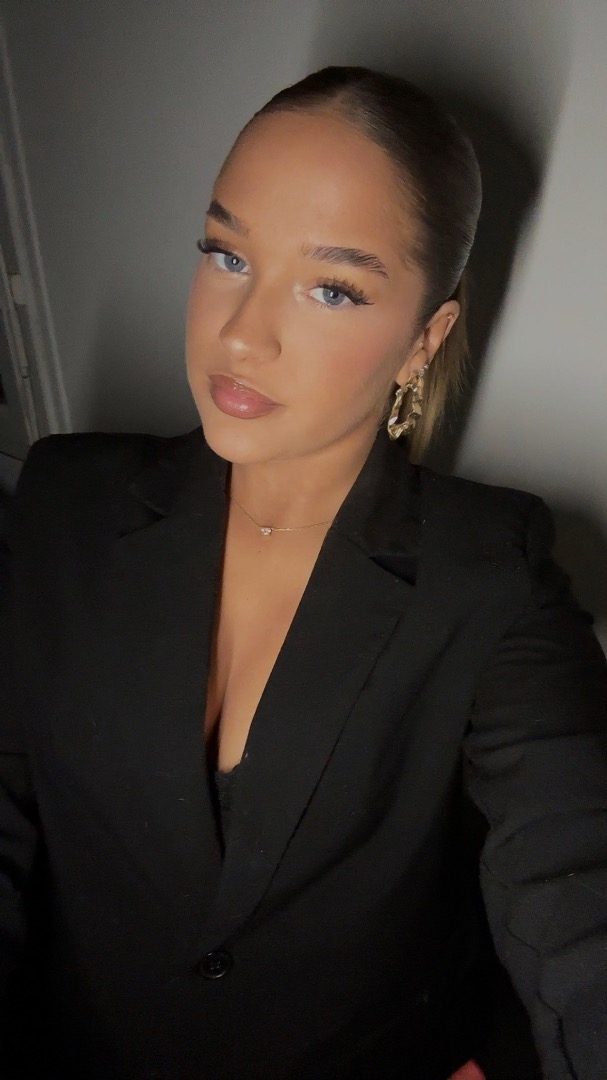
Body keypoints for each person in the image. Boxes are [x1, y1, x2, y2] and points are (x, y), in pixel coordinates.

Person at [1, 65, 606, 1080]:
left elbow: (574, 864)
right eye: (227, 254)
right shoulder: (64, 502)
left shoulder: (487, 572)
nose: (241, 334)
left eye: (331, 288)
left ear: (424, 338)